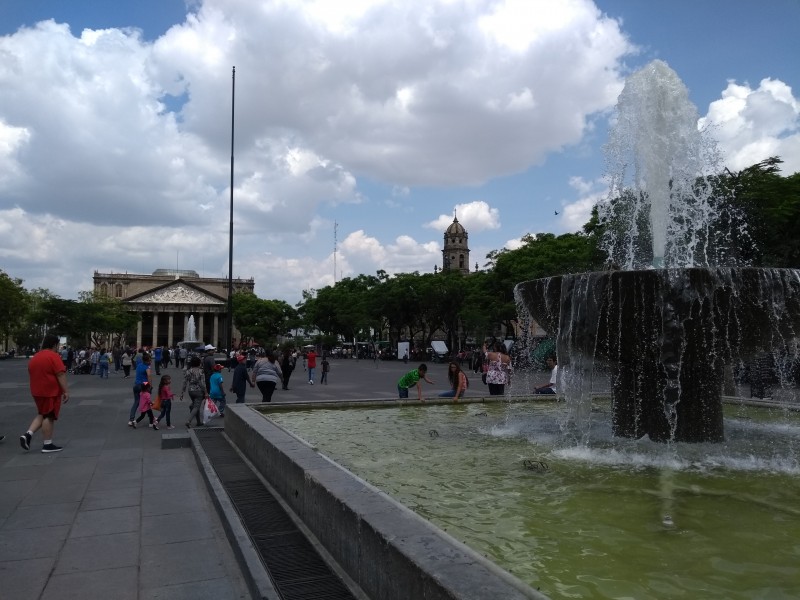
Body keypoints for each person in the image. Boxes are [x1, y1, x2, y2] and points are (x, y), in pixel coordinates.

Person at [20, 333, 70, 453]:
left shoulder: (36, 356)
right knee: (49, 416)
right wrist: (66, 391)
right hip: (50, 391)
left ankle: (28, 435)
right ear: (54, 344)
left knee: (42, 413)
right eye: (57, 345)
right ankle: (47, 444)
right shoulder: (53, 356)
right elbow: (60, 373)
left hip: (36, 391)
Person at [181, 355, 208, 428]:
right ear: (199, 363)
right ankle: (189, 421)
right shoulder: (201, 371)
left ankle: (198, 422)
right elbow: (203, 383)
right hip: (199, 390)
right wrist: (206, 392)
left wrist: (182, 392)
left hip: (190, 390)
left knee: (196, 405)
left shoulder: (188, 371)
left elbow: (184, 382)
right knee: (196, 406)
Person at [128, 353, 152, 427]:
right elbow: (149, 376)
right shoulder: (147, 367)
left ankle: (131, 419)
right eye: (150, 360)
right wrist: (149, 386)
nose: (151, 361)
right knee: (147, 402)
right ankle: (151, 418)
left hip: (136, 385)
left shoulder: (139, 365)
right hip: (143, 385)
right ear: (147, 360)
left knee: (136, 402)